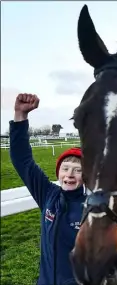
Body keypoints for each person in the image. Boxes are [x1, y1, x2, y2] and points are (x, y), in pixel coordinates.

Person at [9, 93, 86, 285]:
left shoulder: (93, 207)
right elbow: (22, 160)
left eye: (77, 170)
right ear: (58, 173)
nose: (69, 174)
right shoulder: (48, 194)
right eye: (65, 169)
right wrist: (20, 116)